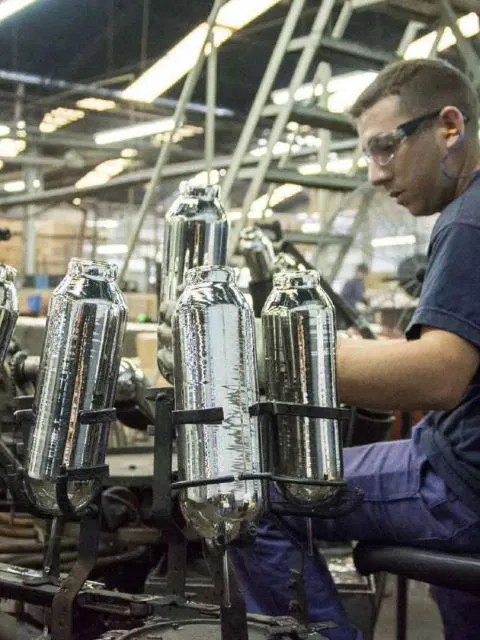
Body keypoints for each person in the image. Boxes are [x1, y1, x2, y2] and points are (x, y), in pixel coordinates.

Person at [228, 58, 480, 640]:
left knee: (251, 497)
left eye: (385, 147)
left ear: (449, 126)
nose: (374, 174)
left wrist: (271, 356)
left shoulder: (468, 220)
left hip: (462, 482)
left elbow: (439, 375)